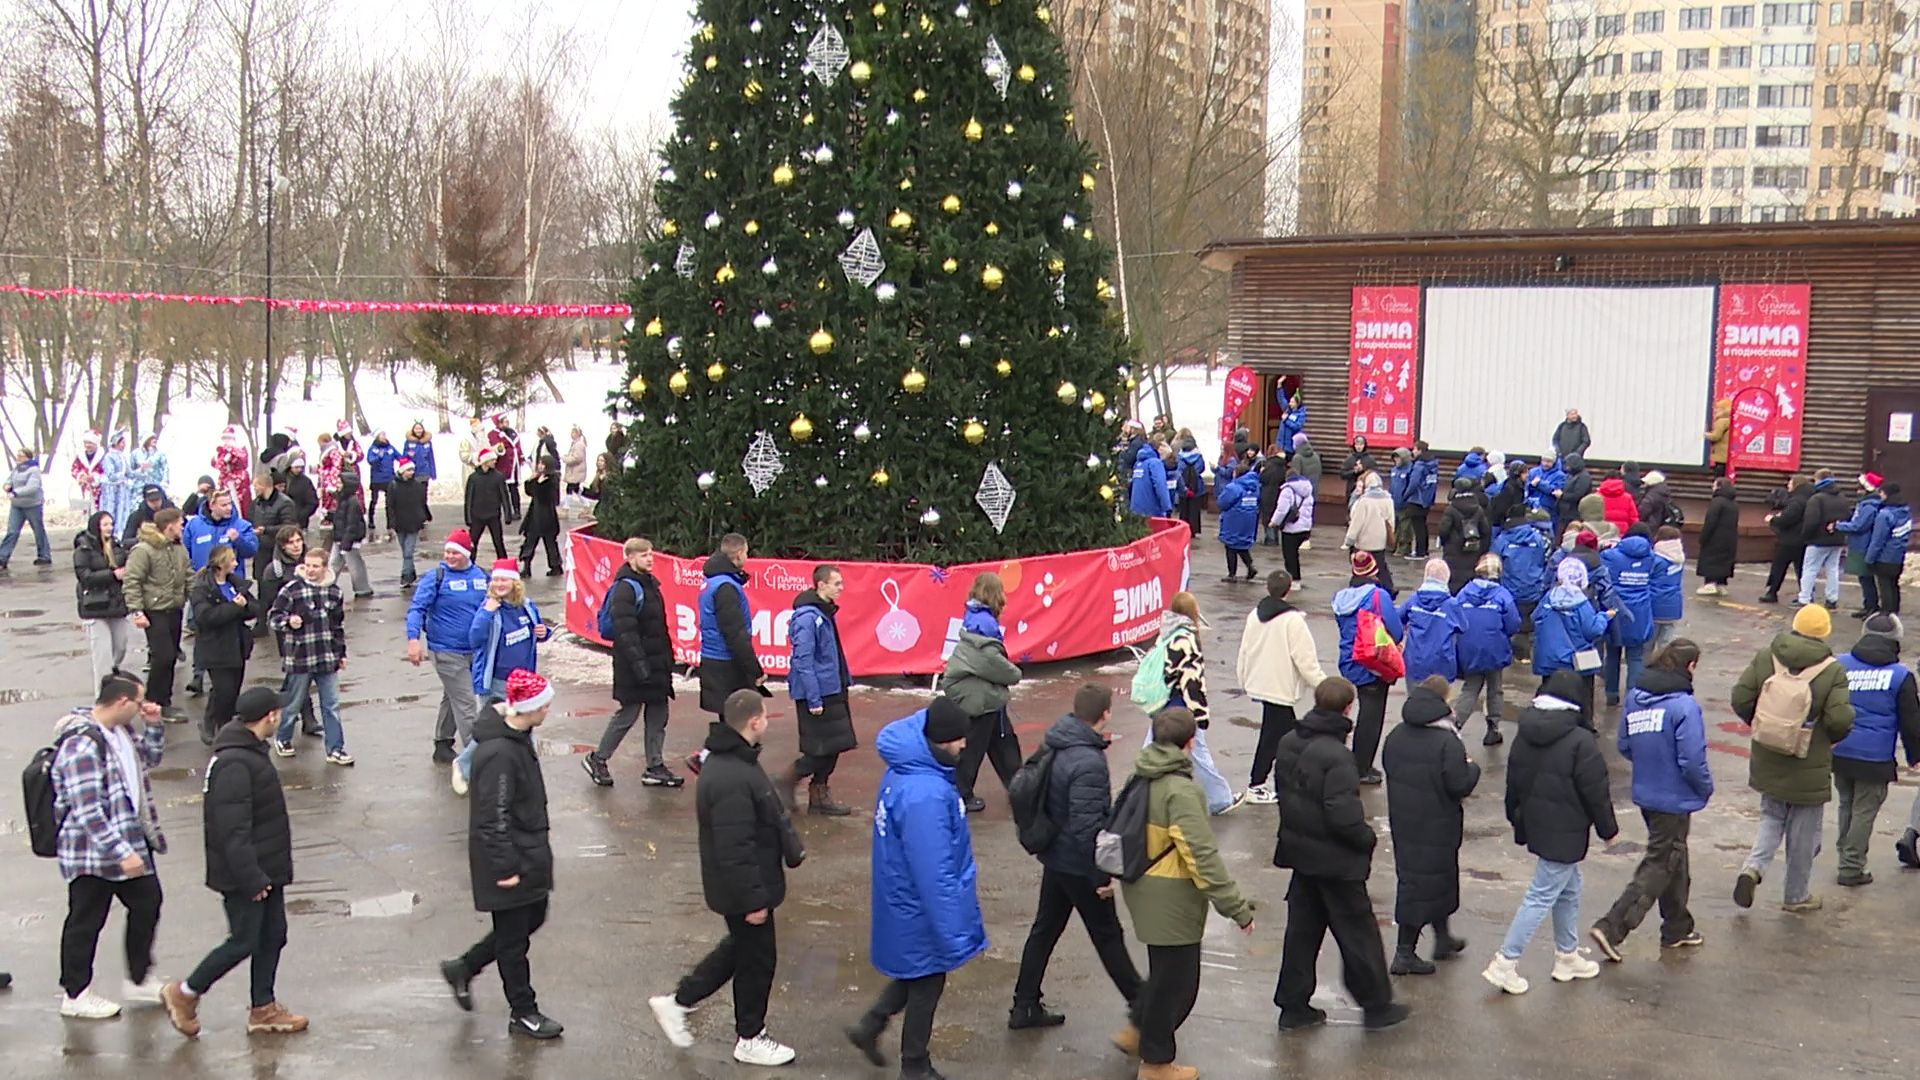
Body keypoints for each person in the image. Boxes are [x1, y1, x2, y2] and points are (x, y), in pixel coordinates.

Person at [649, 690, 803, 1065]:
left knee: (740, 950)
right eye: (765, 715)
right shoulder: (731, 775)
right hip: (746, 890)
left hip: (747, 886)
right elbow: (735, 846)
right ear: (754, 721)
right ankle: (750, 1036)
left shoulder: (735, 761)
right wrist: (754, 900)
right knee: (757, 961)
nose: (767, 721)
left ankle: (679, 1001)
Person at [845, 699, 987, 1080]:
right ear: (940, 740)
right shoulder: (926, 793)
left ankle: (871, 1026)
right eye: (959, 739)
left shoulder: (909, 772)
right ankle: (914, 1065)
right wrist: (953, 932)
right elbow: (933, 871)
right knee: (928, 979)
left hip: (904, 898)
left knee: (918, 972)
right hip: (919, 905)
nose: (964, 745)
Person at [161, 686, 307, 1038]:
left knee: (273, 936)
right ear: (271, 716)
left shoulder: (250, 751)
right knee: (243, 940)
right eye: (279, 712)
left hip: (266, 867)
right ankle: (185, 993)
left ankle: (263, 1008)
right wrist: (251, 878)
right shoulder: (234, 763)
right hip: (246, 873)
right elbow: (232, 829)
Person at [1271, 677, 1408, 1031]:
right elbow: (1342, 814)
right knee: (1358, 933)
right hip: (1335, 861)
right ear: (1349, 708)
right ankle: (1376, 1005)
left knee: (1302, 932)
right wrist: (1366, 838)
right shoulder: (1338, 756)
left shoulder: (1289, 741)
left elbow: (1286, 793)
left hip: (1301, 853)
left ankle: (1293, 1005)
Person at [1008, 684, 1143, 1031]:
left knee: (1044, 930)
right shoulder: (1088, 761)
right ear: (1105, 713)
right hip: (1078, 864)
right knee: (1107, 935)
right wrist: (1101, 876)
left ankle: (1024, 1005)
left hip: (1056, 857)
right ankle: (1143, 1008)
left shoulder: (1058, 739)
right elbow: (1087, 828)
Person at [440, 669, 563, 1040]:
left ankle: (464, 967)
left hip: (526, 852)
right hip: (509, 859)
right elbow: (492, 815)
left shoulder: (517, 739)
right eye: (544, 705)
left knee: (532, 917)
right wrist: (505, 866)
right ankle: (523, 1012)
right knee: (513, 941)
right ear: (528, 708)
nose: (548, 709)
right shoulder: (500, 753)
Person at [1481, 669, 1618, 995]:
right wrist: (1608, 830)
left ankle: (1567, 956)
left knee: (1570, 887)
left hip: (1538, 823)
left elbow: (1513, 780)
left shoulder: (1525, 732)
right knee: (1542, 894)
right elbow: (1595, 790)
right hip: (1566, 828)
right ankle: (1505, 962)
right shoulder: (1580, 740)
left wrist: (1517, 819)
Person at [51, 671, 169, 1019]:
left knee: (148, 903)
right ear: (121, 701)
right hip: (92, 852)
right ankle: (75, 994)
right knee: (86, 920)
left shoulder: (122, 732)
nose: (143, 707)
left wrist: (154, 726)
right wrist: (121, 852)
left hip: (130, 840)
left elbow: (150, 759)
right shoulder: (82, 744)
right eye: (139, 701)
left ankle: (138, 979)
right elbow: (87, 809)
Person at [1589, 640, 1712, 962]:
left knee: (1674, 858)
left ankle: (1677, 927)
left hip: (1647, 793)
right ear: (1690, 667)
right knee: (1660, 863)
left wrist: (1650, 765)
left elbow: (1625, 744)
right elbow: (1692, 759)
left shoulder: (1636, 697)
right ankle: (1612, 927)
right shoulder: (1684, 706)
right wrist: (1704, 788)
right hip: (1674, 797)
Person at [1730, 603, 1855, 913]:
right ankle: (1796, 895)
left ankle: (1753, 867)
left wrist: (1764, 725)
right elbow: (1840, 719)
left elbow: (1741, 698)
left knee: (1771, 816)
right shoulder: (1832, 670)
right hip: (1808, 757)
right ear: (1825, 632)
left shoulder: (1768, 656)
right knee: (1804, 832)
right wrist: (1829, 739)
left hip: (1768, 751)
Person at [1383, 676, 1480, 975]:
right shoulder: (1447, 741)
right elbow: (1459, 783)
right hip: (1437, 823)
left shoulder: (1396, 735)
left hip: (1405, 820)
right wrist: (1473, 768)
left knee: (1431, 880)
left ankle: (1442, 939)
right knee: (1422, 884)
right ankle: (1404, 953)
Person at [1827, 614, 1920, 886]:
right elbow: (1911, 722)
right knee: (1864, 811)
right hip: (1875, 757)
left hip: (1841, 750)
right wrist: (1915, 756)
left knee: (1846, 804)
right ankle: (1851, 867)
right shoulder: (1900, 676)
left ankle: (1845, 856)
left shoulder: (1840, 664)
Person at [586, 538, 680, 789]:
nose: (649, 559)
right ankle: (598, 759)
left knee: (658, 714)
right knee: (628, 714)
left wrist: (667, 660)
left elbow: (658, 628)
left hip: (655, 662)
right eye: (643, 555)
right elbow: (625, 631)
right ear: (629, 558)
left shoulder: (651, 584)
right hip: (633, 665)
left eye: (650, 554)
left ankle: (655, 766)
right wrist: (640, 666)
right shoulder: (626, 588)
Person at [1237, 570, 1326, 805]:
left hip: (1261, 683)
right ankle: (1258, 784)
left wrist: (1243, 678)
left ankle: (1282, 781)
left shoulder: (1254, 615)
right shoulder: (1293, 621)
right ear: (1288, 590)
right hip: (1280, 687)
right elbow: (1305, 660)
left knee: (1283, 734)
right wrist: (1324, 686)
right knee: (1282, 737)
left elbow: (1244, 650)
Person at [461, 558, 550, 787]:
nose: (499, 584)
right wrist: (487, 613)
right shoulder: (490, 608)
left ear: (515, 583)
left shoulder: (526, 606)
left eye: (505, 580)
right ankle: (464, 766)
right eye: (496, 580)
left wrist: (544, 632)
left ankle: (523, 769)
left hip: (523, 682)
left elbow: (538, 631)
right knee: (492, 729)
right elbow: (474, 639)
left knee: (525, 726)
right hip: (496, 681)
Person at [408, 529, 491, 773]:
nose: (450, 557)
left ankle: (442, 743)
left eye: (455, 552)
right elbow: (417, 609)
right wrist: (413, 639)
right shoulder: (436, 577)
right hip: (446, 651)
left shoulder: (482, 576)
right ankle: (477, 760)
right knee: (466, 703)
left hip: (475, 651)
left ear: (467, 553)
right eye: (447, 552)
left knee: (453, 695)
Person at [1153, 592, 1241, 814]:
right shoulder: (1187, 639)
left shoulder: (1166, 633)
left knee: (1153, 747)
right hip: (1182, 705)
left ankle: (1138, 795)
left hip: (1162, 702)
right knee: (1199, 753)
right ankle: (1220, 799)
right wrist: (1200, 716)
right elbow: (1192, 681)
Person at [946, 572, 1025, 812]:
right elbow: (988, 660)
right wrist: (1013, 673)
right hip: (981, 699)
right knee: (975, 748)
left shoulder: (973, 615)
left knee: (1002, 742)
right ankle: (962, 794)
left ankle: (1020, 788)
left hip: (984, 696)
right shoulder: (985, 624)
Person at [268, 546, 352, 766]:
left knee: (331, 705)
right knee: (293, 703)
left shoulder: (334, 592)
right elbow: (274, 617)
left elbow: (337, 626)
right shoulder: (292, 590)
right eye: (307, 566)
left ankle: (335, 749)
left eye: (316, 566)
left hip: (326, 657)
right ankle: (283, 737)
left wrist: (341, 653)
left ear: (325, 568)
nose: (311, 570)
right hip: (300, 657)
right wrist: (289, 621)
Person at [785, 564, 857, 814]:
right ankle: (784, 782)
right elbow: (803, 660)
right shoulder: (808, 617)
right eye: (837, 583)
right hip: (817, 694)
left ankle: (819, 794)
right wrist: (814, 699)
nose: (841, 588)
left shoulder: (823, 613)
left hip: (833, 688)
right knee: (819, 750)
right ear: (821, 585)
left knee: (835, 745)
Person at [1333, 551, 1403, 784]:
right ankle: (1362, 767)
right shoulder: (1378, 596)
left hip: (1349, 659)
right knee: (1371, 716)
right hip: (1372, 662)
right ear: (1374, 571)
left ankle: (1351, 760)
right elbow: (1396, 631)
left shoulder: (1341, 598)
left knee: (1360, 709)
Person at [124, 507, 193, 717]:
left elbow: (188, 575)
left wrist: (198, 598)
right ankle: (154, 701)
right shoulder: (143, 550)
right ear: (169, 526)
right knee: (163, 656)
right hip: (154, 611)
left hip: (175, 608)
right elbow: (132, 580)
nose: (183, 527)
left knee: (171, 657)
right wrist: (137, 611)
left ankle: (164, 701)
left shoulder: (178, 548)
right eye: (180, 523)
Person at [188, 545, 258, 747]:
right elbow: (205, 617)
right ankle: (214, 724)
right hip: (215, 646)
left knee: (232, 690)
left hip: (237, 645)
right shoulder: (203, 588)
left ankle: (222, 726)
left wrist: (244, 606)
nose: (236, 564)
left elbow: (254, 608)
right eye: (232, 560)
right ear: (221, 564)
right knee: (224, 690)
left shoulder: (235, 583)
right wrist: (234, 607)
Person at [697, 533, 766, 728]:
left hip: (714, 657)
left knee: (729, 718)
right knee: (737, 720)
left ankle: (720, 745)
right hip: (726, 661)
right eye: (746, 553)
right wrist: (754, 669)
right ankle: (717, 747)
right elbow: (735, 632)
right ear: (739, 554)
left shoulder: (714, 582)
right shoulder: (726, 587)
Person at [258, 526, 318, 739]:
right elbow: (269, 602)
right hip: (289, 629)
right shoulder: (274, 570)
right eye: (291, 542)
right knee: (299, 672)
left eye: (298, 541)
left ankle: (282, 703)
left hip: (312, 626)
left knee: (298, 674)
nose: (296, 546)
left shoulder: (311, 563)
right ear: (282, 546)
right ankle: (307, 716)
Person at [1532, 558, 1612, 715]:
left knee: (1548, 698)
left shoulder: (1548, 598)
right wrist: (1604, 617)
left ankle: (1547, 721)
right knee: (1583, 697)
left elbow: (1535, 618)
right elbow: (1593, 631)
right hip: (1578, 661)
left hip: (1549, 659)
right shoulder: (1582, 603)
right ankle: (1583, 723)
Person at [1458, 554, 1523, 746]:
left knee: (1470, 688)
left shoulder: (1464, 592)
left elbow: (1457, 617)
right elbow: (1514, 623)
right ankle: (1493, 728)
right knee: (1495, 688)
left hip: (1470, 648)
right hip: (1495, 649)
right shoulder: (1502, 595)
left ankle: (1456, 724)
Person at [1600, 529, 1660, 707]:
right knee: (1636, 657)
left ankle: (1611, 694)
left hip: (1616, 609)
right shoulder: (1650, 557)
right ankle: (1632, 696)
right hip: (1640, 612)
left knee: (1612, 655)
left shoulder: (1611, 556)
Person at [74, 511, 133, 685]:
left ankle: (112, 671)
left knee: (121, 645)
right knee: (102, 652)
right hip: (95, 605)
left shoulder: (116, 546)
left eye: (111, 524)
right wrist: (112, 575)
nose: (110, 528)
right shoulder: (83, 549)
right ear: (96, 527)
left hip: (117, 603)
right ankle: (102, 693)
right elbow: (84, 577)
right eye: (105, 524)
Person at [1400, 558, 1464, 684]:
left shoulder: (1414, 599)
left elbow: (1397, 620)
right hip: (1442, 664)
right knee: (1439, 696)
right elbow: (1463, 627)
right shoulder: (1452, 604)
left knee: (1414, 695)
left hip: (1415, 661)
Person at [1797, 469, 1851, 609]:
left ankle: (1804, 598)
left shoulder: (1816, 499)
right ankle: (1832, 599)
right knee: (1832, 569)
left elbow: (1811, 521)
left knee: (1810, 569)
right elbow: (1848, 517)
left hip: (1818, 540)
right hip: (1837, 539)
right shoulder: (1843, 498)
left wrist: (1805, 536)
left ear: (1819, 480)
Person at [1837, 472, 1887, 616]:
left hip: (1863, 545)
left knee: (1866, 578)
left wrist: (1839, 526)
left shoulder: (1869, 506)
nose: (1857, 490)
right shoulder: (1868, 505)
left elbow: (1859, 526)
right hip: (1862, 544)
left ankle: (1871, 607)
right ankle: (1869, 605)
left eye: (1859, 487)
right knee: (1864, 577)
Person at [183, 488, 261, 579]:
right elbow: (185, 555)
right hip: (203, 581)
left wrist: (238, 540)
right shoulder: (193, 525)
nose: (229, 508)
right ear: (212, 506)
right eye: (224, 505)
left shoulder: (241, 525)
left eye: (230, 503)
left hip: (231, 582)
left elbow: (252, 551)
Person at [1343, 472, 1398, 596]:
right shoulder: (1388, 499)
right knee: (1380, 566)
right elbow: (1391, 521)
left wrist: (1349, 540)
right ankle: (1388, 589)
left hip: (1364, 542)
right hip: (1380, 541)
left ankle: (1356, 591)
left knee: (1361, 568)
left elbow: (1357, 523)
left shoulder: (1364, 501)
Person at [1761, 474, 1812, 603]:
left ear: (1796, 485)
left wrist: (1773, 519)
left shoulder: (1797, 501)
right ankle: (1806, 594)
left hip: (1789, 540)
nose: (1788, 485)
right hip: (1803, 539)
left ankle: (1772, 592)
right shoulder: (1810, 498)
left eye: (1790, 483)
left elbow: (1787, 518)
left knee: (1779, 567)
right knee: (1802, 569)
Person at [1437, 476, 1492, 593]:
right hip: (1472, 548)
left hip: (1453, 550)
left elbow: (1443, 530)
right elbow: (1486, 530)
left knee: (1453, 579)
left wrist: (1446, 543)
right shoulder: (1478, 508)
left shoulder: (1451, 509)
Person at [1, 446, 53, 569]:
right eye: (17, 455)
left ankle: (44, 556)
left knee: (38, 530)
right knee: (12, 531)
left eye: (21, 456)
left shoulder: (34, 470)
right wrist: (7, 486)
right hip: (17, 505)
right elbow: (9, 480)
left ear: (28, 457)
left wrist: (16, 492)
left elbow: (32, 487)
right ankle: (2, 557)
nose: (18, 458)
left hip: (32, 505)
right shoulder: (16, 469)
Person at [326, 470, 374, 599]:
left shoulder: (352, 501)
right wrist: (330, 516)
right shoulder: (342, 498)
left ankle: (362, 589)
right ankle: (326, 586)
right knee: (334, 564)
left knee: (354, 565)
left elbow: (352, 524)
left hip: (348, 540)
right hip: (340, 538)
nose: (337, 485)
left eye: (340, 482)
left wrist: (346, 543)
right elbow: (342, 518)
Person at [1867, 482, 1911, 615]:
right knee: (1894, 584)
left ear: (1887, 494)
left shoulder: (1884, 514)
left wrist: (1870, 558)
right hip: (1899, 555)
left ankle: (1886, 614)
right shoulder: (1906, 512)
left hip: (1885, 556)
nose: (1880, 495)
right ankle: (1894, 612)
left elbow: (1878, 539)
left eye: (1881, 493)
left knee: (1885, 585)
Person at [388, 457, 432, 588]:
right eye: (409, 470)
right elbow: (390, 506)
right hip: (400, 523)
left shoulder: (417, 486)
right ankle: (411, 574)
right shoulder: (393, 486)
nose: (411, 472)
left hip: (414, 523)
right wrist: (390, 524)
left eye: (412, 470)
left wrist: (426, 517)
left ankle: (405, 577)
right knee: (406, 552)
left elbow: (422, 503)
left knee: (408, 552)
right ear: (402, 471)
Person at [1268, 464, 1316, 583]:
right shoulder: (1308, 490)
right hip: (1305, 527)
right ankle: (1296, 578)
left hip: (1291, 528)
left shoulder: (1287, 490)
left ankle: (1294, 580)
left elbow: (1282, 510)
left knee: (1290, 556)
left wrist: (1274, 522)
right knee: (1295, 555)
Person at [518, 455, 563, 576]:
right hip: (535, 514)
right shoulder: (538, 477)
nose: (540, 466)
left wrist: (539, 484)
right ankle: (526, 567)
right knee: (530, 541)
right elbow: (530, 492)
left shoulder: (552, 479)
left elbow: (546, 497)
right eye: (539, 463)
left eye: (542, 464)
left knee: (550, 543)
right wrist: (530, 481)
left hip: (547, 515)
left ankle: (556, 566)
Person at [464, 448, 511, 561]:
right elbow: (468, 499)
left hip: (493, 515)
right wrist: (468, 517)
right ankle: (469, 564)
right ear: (485, 461)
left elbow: (504, 497)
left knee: (498, 542)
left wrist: (507, 514)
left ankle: (503, 563)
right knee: (473, 542)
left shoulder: (498, 477)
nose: (495, 461)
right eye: (492, 460)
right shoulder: (473, 478)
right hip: (477, 516)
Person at [1696, 479, 1739, 596]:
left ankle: (1710, 584)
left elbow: (1710, 521)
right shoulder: (1733, 503)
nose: (1712, 488)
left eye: (1714, 485)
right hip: (1730, 539)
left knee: (1711, 559)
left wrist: (1703, 537)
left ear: (1719, 487)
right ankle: (1721, 584)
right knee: (1724, 561)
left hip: (1715, 538)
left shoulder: (1717, 502)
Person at [1216, 463, 1258, 582]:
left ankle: (1232, 574)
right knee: (1242, 545)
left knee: (1230, 545)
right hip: (1249, 519)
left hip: (1234, 520)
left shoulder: (1233, 487)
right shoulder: (1254, 486)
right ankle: (1250, 566)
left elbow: (1222, 503)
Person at [1651, 526, 1686, 648]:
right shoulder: (1679, 559)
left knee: (1648, 644)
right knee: (1666, 644)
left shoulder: (1655, 559)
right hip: (1674, 605)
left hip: (1655, 604)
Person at [489, 413, 525, 523]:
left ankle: (517, 510)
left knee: (513, 488)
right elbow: (496, 448)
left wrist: (521, 456)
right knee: (501, 490)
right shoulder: (493, 434)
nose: (507, 422)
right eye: (504, 421)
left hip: (513, 465)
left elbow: (518, 446)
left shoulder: (512, 432)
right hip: (502, 465)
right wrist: (501, 449)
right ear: (499, 423)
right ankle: (500, 512)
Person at [101, 430, 138, 530]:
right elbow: (110, 475)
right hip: (112, 490)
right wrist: (121, 476)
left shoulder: (122, 457)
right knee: (111, 511)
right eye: (122, 443)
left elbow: (130, 473)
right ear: (116, 443)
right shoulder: (108, 457)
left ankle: (120, 531)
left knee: (122, 512)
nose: (124, 445)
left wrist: (141, 471)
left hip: (122, 489)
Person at [211, 426, 252, 518]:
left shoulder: (231, 451)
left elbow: (221, 464)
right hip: (236, 480)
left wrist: (217, 462)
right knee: (239, 502)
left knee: (237, 502)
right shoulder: (238, 451)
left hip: (234, 481)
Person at [364, 430, 399, 540]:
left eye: (385, 434)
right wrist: (378, 457)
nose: (384, 437)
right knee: (374, 501)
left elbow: (399, 457)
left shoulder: (390, 448)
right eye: (382, 435)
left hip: (389, 479)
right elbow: (370, 460)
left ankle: (391, 524)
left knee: (390, 503)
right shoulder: (373, 448)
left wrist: (409, 457)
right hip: (377, 479)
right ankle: (371, 521)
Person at [1128, 437, 1173, 518]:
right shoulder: (1155, 463)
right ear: (1160, 449)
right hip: (1152, 511)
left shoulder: (1138, 463)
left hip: (1136, 510)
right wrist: (1167, 508)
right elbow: (1160, 485)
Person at [1174, 436, 1208, 536]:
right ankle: (1193, 530)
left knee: (1183, 510)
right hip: (1197, 487)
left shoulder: (1180, 457)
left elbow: (1178, 470)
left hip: (1183, 486)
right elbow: (1201, 469)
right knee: (1194, 510)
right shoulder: (1198, 456)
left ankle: (1183, 529)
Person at [248, 472, 302, 537]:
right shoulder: (256, 503)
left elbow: (289, 527)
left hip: (277, 541)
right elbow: (250, 520)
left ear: (263, 486)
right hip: (258, 541)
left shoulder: (285, 503)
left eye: (256, 486)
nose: (254, 489)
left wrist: (266, 530)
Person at [1555, 453, 1595, 530]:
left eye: (1568, 465)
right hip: (1565, 513)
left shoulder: (1584, 477)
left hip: (1575, 513)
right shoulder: (1571, 475)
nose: (1567, 467)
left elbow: (1578, 495)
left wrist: (1562, 495)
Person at [71, 430, 107, 512]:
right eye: (85, 443)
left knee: (99, 511)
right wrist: (81, 476)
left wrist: (95, 477)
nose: (87, 445)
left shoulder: (103, 457)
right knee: (87, 511)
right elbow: (74, 469)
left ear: (96, 443)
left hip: (100, 491)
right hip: (85, 489)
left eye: (90, 443)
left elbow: (107, 471)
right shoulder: (80, 457)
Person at [1340, 435, 1378, 502]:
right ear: (1354, 445)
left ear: (1364, 445)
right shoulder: (1349, 459)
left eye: (1361, 444)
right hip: (1351, 489)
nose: (1359, 447)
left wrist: (1363, 470)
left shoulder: (1370, 460)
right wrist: (1354, 471)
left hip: (1366, 491)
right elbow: (1342, 474)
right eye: (1357, 444)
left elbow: (1375, 475)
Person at [284, 455, 318, 528]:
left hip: (299, 522)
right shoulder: (282, 478)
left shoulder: (305, 482)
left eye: (301, 467)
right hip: (282, 521)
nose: (299, 470)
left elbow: (312, 502)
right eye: (296, 467)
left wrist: (301, 516)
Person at [403, 421, 438, 488]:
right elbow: (404, 457)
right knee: (413, 491)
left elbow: (431, 458)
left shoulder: (428, 442)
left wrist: (433, 473)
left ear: (423, 430)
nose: (418, 431)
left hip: (425, 472)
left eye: (420, 429)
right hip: (412, 472)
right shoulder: (408, 442)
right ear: (413, 430)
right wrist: (408, 454)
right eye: (416, 429)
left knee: (423, 491)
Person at [562, 426, 589, 510]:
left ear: (577, 434)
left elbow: (577, 458)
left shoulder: (579, 445)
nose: (571, 434)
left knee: (570, 488)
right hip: (574, 471)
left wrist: (566, 459)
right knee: (576, 489)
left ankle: (566, 506)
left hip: (576, 471)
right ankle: (586, 504)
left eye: (573, 432)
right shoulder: (575, 443)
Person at [1705, 399, 1732, 476]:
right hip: (1727, 453)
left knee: (1719, 473)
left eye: (1718, 408)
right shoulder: (1730, 420)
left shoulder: (1721, 421)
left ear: (1722, 409)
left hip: (1721, 454)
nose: (1716, 410)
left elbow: (1716, 436)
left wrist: (1705, 434)